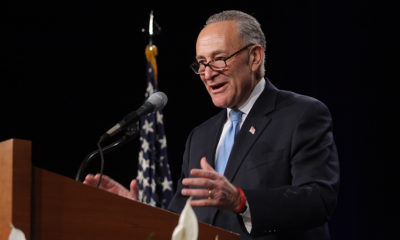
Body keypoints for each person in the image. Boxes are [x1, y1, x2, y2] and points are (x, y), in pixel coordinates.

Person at [84, 10, 340, 240]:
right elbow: (182, 221)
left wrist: (241, 200)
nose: (207, 73)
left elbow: (318, 200)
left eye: (219, 58)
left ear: (254, 57)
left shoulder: (301, 115)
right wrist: (139, 210)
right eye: (202, 63)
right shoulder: (200, 136)